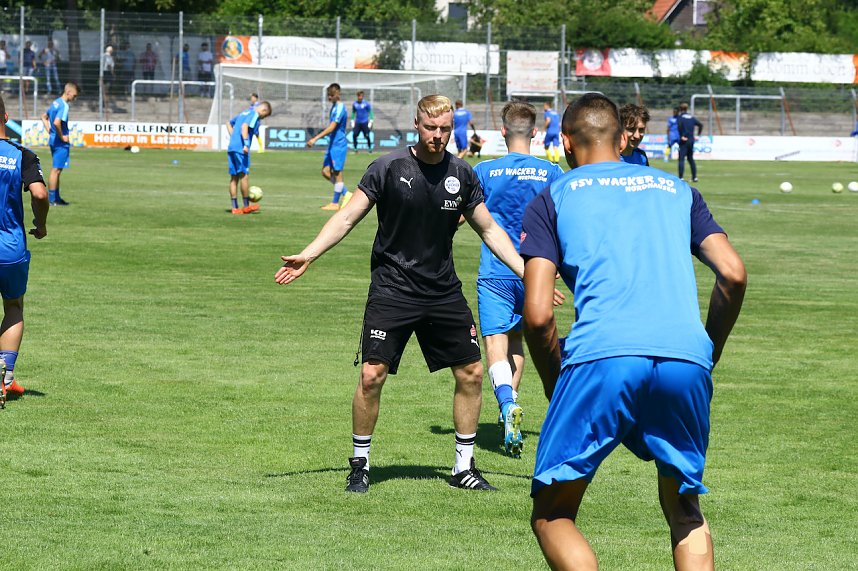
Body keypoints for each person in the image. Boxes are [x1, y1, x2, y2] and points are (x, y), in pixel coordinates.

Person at [520, 93, 746, 570]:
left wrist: (552, 380)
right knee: (684, 509)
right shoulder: (677, 189)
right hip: (685, 358)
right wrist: (708, 352)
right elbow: (733, 273)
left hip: (602, 356)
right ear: (623, 139)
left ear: (564, 142)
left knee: (554, 513)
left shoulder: (553, 196)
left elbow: (538, 315)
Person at [275, 94, 527, 494]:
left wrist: (528, 273)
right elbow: (345, 217)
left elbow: (491, 231)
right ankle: (360, 464)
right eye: (431, 128)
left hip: (442, 291)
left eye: (445, 129)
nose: (439, 136)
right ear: (416, 124)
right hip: (392, 290)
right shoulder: (388, 168)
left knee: (472, 373)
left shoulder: (462, 174)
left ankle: (463, 467)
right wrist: (309, 254)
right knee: (371, 375)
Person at [472, 101, 564, 457]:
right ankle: (510, 403)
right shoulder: (552, 172)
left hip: (496, 269)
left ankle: (506, 403)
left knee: (495, 342)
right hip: (536, 272)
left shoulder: (485, 171)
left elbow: (466, 217)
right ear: (536, 133)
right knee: (518, 344)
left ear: (503, 132)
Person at [0, 94, 50, 406]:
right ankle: (5, 377)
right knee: (14, 307)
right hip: (10, 248)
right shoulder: (21, 155)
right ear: (5, 118)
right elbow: (41, 194)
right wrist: (40, 224)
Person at [307, 83, 350, 211]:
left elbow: (332, 127)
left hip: (338, 144)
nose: (329, 98)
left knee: (337, 173)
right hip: (332, 144)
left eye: (331, 95)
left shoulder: (340, 108)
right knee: (325, 172)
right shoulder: (334, 107)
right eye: (328, 95)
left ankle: (335, 203)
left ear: (338, 94)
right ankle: (346, 193)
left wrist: (315, 138)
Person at [226, 101, 272, 214]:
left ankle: (235, 208)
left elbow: (228, 123)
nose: (262, 117)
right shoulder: (254, 114)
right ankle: (246, 206)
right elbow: (244, 126)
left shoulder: (244, 112)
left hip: (232, 147)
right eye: (264, 116)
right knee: (244, 176)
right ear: (263, 110)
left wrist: (234, 138)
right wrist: (246, 144)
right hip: (241, 149)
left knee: (234, 178)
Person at [40, 82, 79, 206]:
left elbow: (44, 117)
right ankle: (52, 199)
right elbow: (57, 122)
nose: (74, 98)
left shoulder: (55, 102)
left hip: (53, 140)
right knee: (56, 170)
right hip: (60, 142)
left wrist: (49, 131)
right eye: (74, 95)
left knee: (57, 169)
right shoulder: (64, 105)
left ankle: (56, 198)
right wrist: (62, 136)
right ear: (68, 92)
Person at [677, 102, 703, 182]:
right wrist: (698, 135)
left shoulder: (680, 117)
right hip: (691, 140)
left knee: (681, 159)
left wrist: (681, 135)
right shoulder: (691, 117)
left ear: (680, 109)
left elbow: (679, 125)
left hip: (684, 140)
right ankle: (694, 177)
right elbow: (700, 125)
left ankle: (681, 177)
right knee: (690, 158)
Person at [350, 90, 374, 154]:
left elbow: (370, 112)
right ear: (357, 96)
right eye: (359, 96)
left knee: (366, 135)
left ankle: (370, 149)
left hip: (365, 122)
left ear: (362, 96)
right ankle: (355, 149)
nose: (360, 97)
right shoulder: (355, 104)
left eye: (361, 96)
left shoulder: (366, 104)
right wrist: (352, 120)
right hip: (358, 122)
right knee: (354, 135)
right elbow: (353, 112)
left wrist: (371, 120)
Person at [101, 46, 115, 112]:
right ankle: (104, 103)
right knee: (106, 89)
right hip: (107, 73)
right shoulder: (107, 57)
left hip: (104, 73)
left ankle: (104, 103)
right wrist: (112, 74)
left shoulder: (104, 56)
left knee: (105, 89)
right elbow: (110, 66)